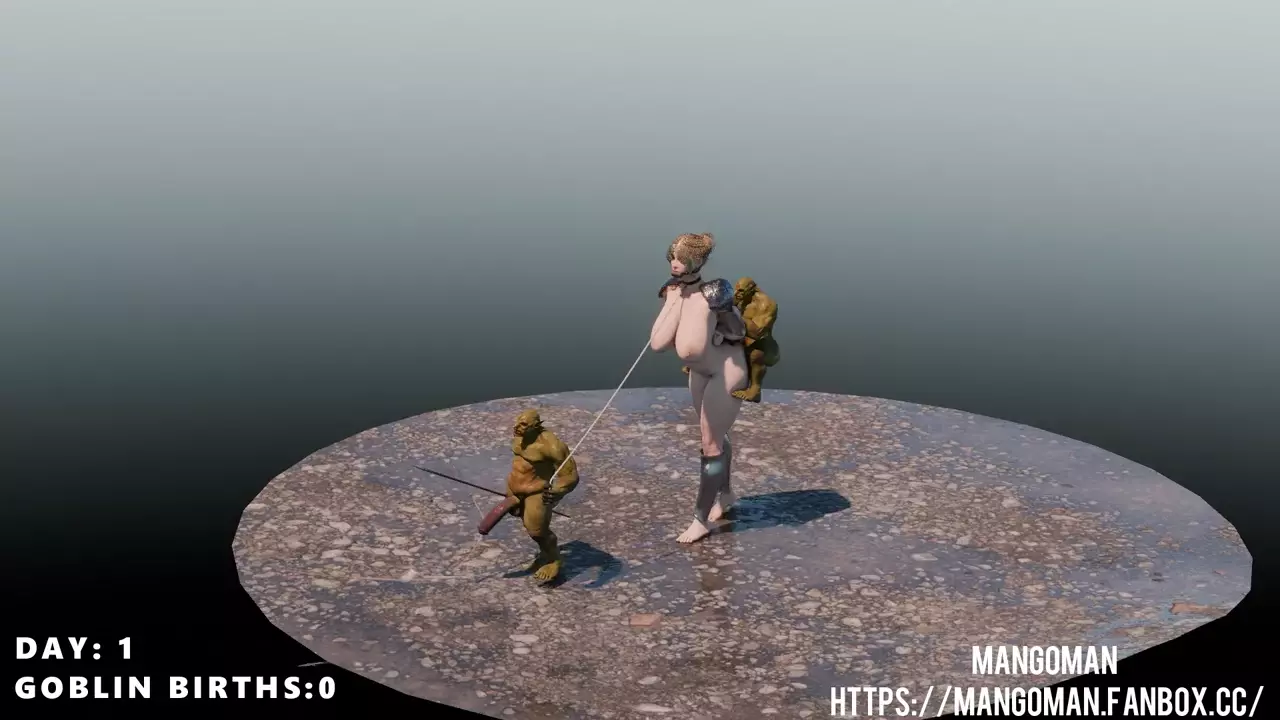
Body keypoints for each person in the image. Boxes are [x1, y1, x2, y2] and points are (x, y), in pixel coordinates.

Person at [649, 233, 748, 543]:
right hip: (700, 371)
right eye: (673, 257)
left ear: (698, 260)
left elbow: (738, 330)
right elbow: (658, 343)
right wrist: (674, 300)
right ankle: (726, 493)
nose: (675, 263)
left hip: (725, 370)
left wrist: (721, 329)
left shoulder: (714, 293)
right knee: (714, 436)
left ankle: (700, 520)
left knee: (710, 443)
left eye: (682, 258)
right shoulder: (674, 292)